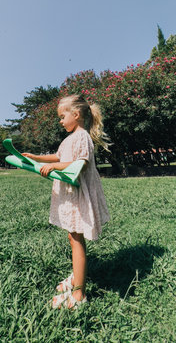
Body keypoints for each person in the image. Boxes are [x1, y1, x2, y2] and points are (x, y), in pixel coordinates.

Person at [22, 94, 110, 309]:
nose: (60, 121)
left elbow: (79, 163)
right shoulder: (69, 138)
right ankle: (75, 277)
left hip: (78, 193)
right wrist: (36, 157)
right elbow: (58, 156)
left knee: (76, 238)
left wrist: (53, 167)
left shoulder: (82, 137)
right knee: (73, 237)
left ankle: (79, 295)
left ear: (76, 115)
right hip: (71, 194)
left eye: (62, 117)